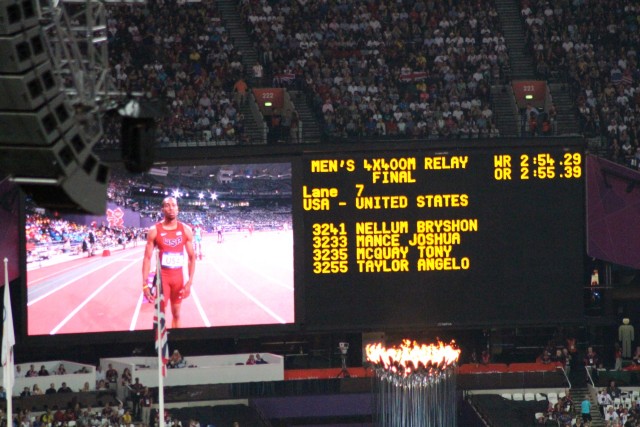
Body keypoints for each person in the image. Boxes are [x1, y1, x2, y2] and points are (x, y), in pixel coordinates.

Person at [142, 196, 196, 328]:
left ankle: (176, 345)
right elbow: (147, 258)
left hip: (178, 279)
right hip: (162, 281)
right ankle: (161, 347)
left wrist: (189, 282)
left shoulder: (186, 230)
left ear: (178, 209)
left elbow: (191, 257)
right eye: (167, 205)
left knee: (177, 315)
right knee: (160, 316)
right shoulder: (154, 230)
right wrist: (144, 284)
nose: (171, 208)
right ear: (162, 209)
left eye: (173, 205)